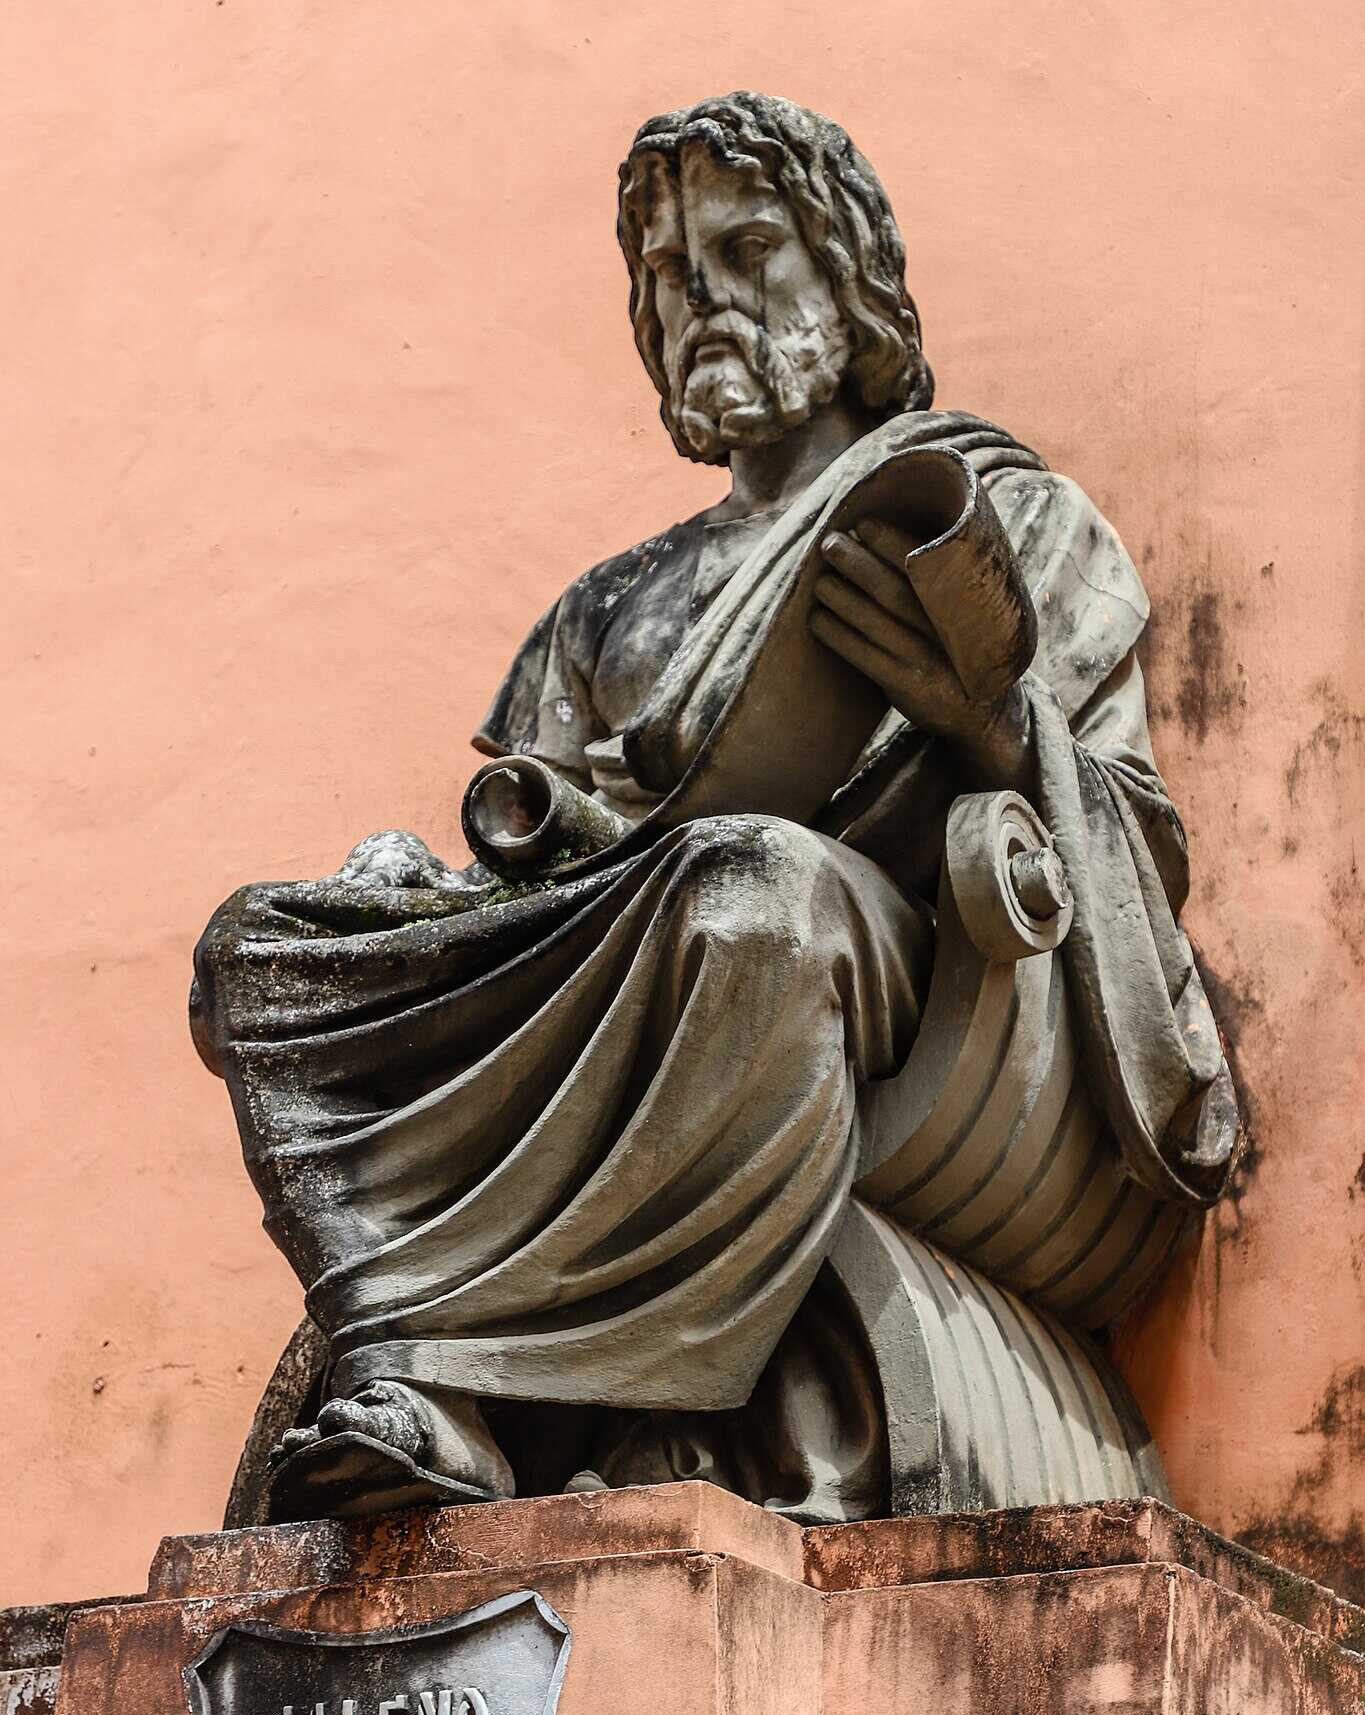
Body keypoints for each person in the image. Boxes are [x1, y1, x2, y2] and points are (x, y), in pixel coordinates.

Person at [193, 92, 1236, 1522]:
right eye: (673, 277)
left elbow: (1134, 850)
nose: (705, 304)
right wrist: (445, 881)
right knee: (264, 950)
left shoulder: (1004, 514)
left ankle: (487, 1379)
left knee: (750, 888)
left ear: (851, 283)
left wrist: (988, 722)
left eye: (749, 253)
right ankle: (425, 1386)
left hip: (910, 979)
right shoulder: (605, 608)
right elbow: (550, 854)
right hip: (628, 941)